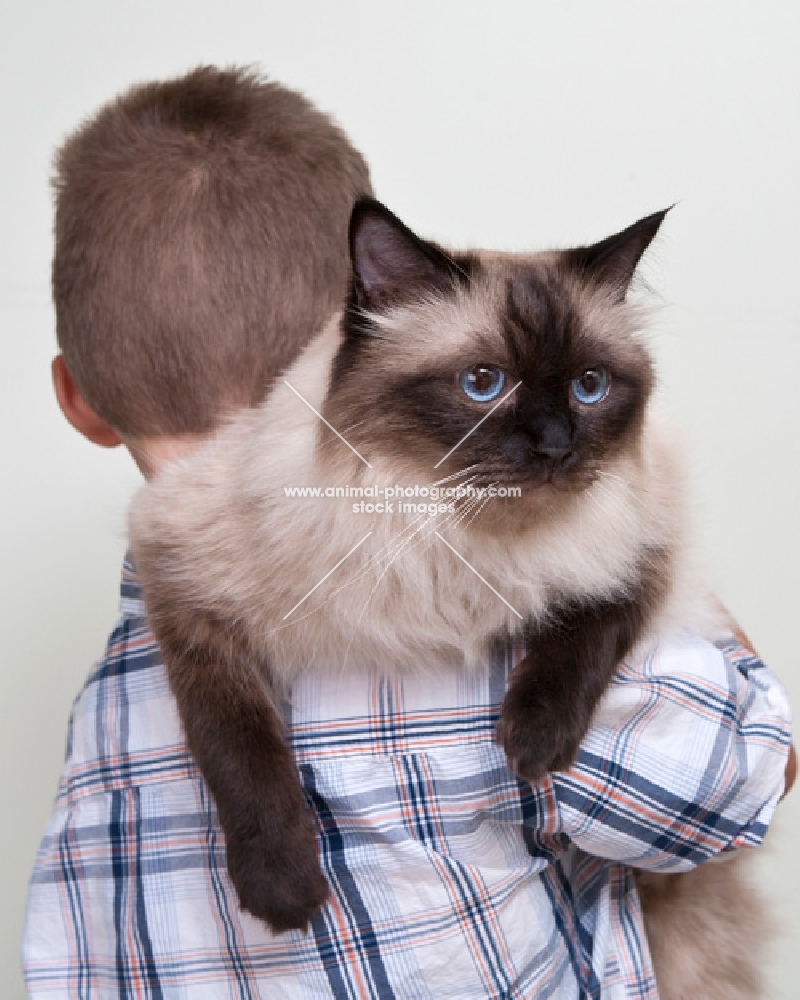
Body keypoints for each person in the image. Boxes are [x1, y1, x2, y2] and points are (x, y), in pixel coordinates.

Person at [23, 66, 794, 1000]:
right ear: (337, 344)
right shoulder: (460, 610)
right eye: (481, 384)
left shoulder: (107, 709)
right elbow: (733, 789)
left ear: (78, 399)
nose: (552, 443)